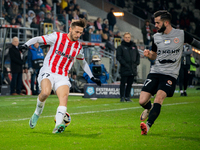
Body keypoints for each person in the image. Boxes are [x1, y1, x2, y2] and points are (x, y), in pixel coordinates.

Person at [19, 19, 101, 133]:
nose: (78, 35)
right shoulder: (57, 37)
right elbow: (38, 39)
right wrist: (26, 44)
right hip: (48, 70)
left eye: (80, 33)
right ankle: (37, 113)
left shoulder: (78, 47)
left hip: (62, 76)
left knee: (63, 100)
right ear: (70, 29)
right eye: (76, 32)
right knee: (45, 93)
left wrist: (92, 77)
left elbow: (83, 63)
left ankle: (58, 126)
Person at [139, 10, 200, 135]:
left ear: (166, 22)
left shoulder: (181, 34)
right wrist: (149, 54)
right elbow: (154, 55)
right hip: (155, 72)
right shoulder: (156, 37)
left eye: (157, 23)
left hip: (170, 74)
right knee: (142, 101)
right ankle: (149, 108)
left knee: (159, 97)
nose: (155, 25)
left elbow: (197, 43)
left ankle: (148, 126)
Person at [116, 32, 140, 102]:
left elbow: (138, 55)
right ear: (123, 38)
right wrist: (124, 64)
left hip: (133, 68)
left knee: (130, 83)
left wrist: (137, 63)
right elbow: (119, 57)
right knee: (123, 83)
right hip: (124, 68)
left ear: (130, 38)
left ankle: (127, 97)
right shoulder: (120, 47)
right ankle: (122, 97)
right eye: (126, 37)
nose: (127, 39)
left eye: (128, 37)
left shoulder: (134, 46)